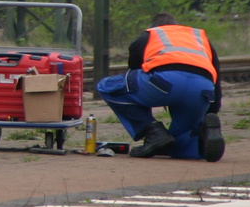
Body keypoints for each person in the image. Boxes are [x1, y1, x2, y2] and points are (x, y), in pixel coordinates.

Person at [94, 13, 225, 160]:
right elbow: (216, 83)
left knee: (109, 87)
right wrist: (209, 114)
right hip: (202, 90)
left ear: (152, 27)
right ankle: (201, 139)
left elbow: (135, 75)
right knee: (178, 145)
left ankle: (152, 132)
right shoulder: (200, 39)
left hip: (165, 83)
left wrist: (146, 115)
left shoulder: (150, 35)